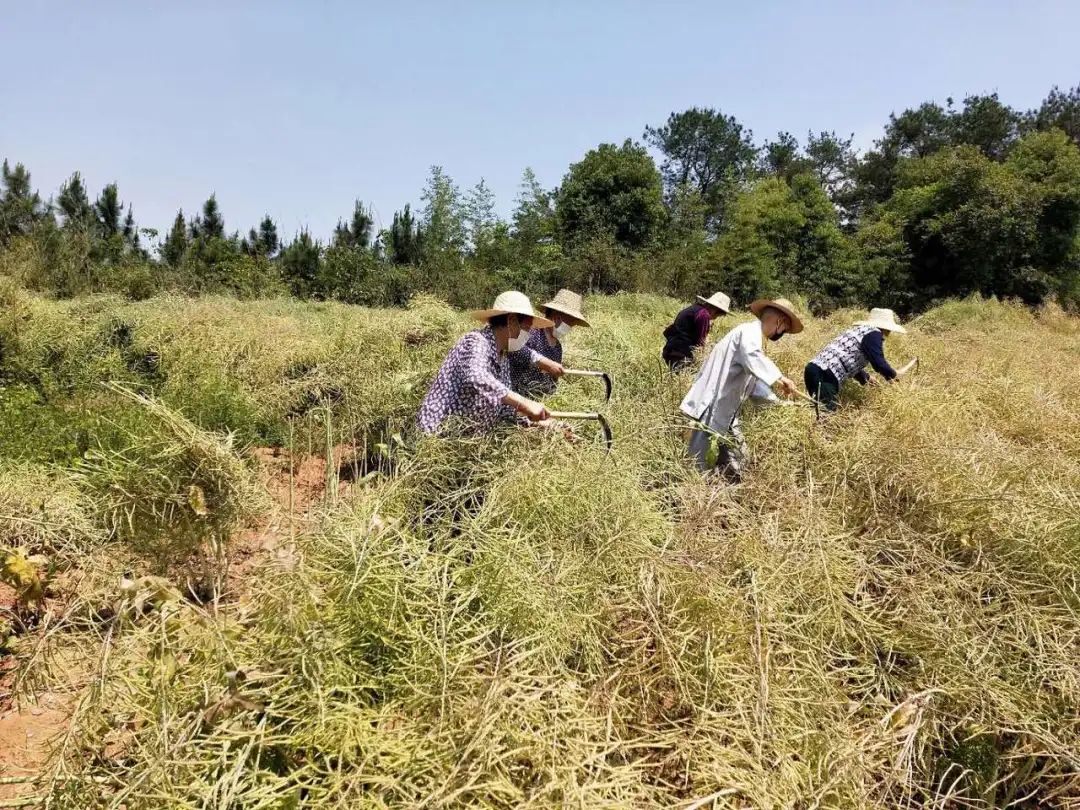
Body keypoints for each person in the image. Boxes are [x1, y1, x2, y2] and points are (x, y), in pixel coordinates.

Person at [680, 298, 803, 480]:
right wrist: (781, 378)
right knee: (697, 463)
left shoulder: (754, 340)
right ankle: (687, 496)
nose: (783, 333)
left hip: (727, 411)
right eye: (785, 328)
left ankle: (731, 488)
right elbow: (754, 358)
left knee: (740, 455)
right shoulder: (749, 332)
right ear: (780, 322)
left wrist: (781, 405)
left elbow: (754, 385)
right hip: (712, 406)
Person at [417, 291, 554, 436]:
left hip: (467, 439)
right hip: (439, 434)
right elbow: (477, 377)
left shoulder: (504, 357)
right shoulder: (475, 341)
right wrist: (524, 402)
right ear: (512, 321)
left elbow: (502, 408)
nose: (527, 335)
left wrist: (535, 423)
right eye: (527, 328)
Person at [804, 307, 907, 411]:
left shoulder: (862, 331)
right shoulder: (874, 334)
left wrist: (866, 377)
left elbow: (847, 358)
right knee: (827, 412)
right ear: (886, 328)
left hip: (816, 369)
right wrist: (893, 375)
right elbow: (878, 362)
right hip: (824, 374)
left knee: (819, 408)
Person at [508, 289, 590, 397]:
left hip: (540, 401)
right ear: (556, 317)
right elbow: (514, 348)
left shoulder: (557, 348)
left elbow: (552, 380)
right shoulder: (531, 333)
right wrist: (543, 362)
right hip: (516, 396)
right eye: (569, 324)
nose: (570, 328)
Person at [661, 292, 732, 370]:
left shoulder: (695, 309)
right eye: (718, 315)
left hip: (671, 350)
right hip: (681, 355)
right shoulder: (703, 315)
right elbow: (700, 342)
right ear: (716, 310)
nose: (715, 318)